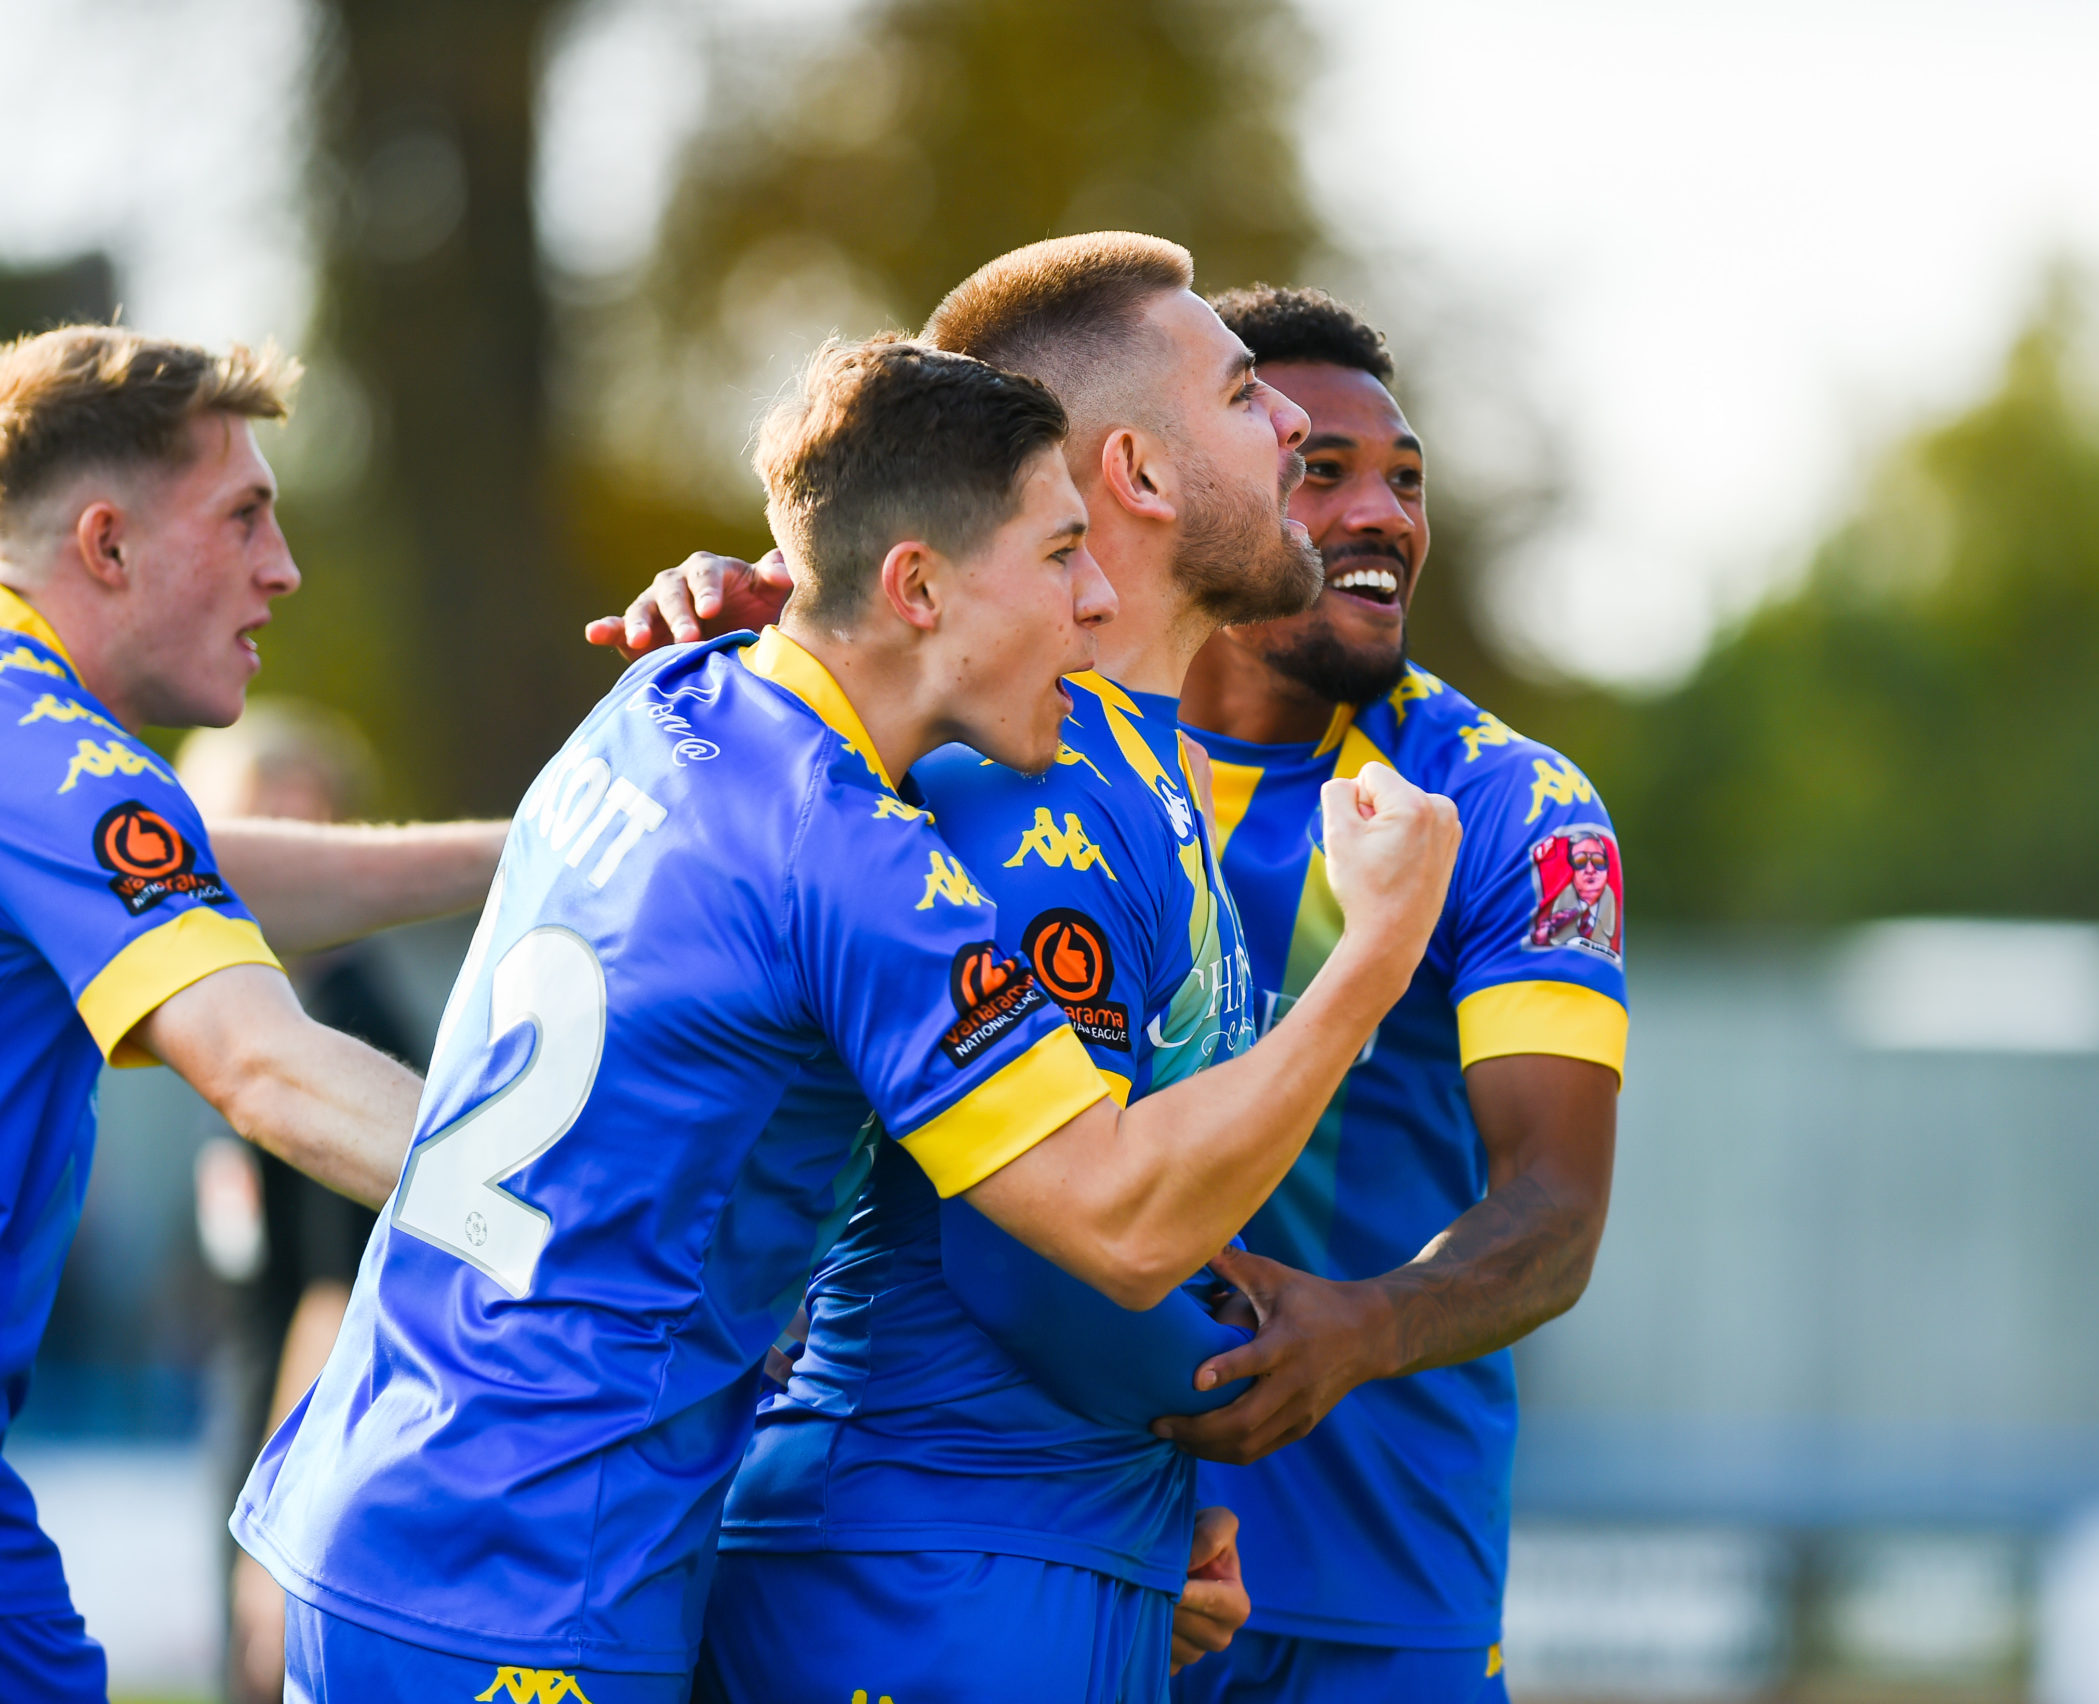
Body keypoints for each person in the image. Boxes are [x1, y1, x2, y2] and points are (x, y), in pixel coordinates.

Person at [238, 336, 1459, 1703]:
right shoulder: (859, 866)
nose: (1094, 598)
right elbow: (1112, 1226)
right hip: (540, 1567)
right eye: (1060, 556)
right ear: (919, 583)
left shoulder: (658, 697)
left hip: (384, 1495)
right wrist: (1376, 954)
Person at [598, 232, 1319, 1704]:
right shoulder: (1015, 787)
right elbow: (1032, 1254)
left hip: (1025, 1561)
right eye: (1249, 395)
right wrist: (1235, 1386)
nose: (1296, 423)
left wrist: (1135, 1529)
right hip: (920, 1574)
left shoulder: (1136, 771)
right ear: (1139, 474)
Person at [0, 325, 502, 1704]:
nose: (283, 569)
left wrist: (542, 851)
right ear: (107, 547)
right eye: (244, 518)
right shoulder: (42, 744)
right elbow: (269, 1074)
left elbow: (210, 872)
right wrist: (586, 1221)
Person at [1161, 285, 1626, 1704]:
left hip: (1381, 1595)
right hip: (1093, 1557)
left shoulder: (1512, 806)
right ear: (1186, 492)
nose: (1384, 514)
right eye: (1323, 471)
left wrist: (1359, 1331)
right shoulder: (1037, 762)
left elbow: (1554, 1215)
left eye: (1406, 478)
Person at [176, 701, 428, 1704]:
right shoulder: (251, 1005)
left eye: (299, 820)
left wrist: (279, 1537)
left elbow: (338, 1294)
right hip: (253, 1457)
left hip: (305, 1489)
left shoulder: (336, 1021)